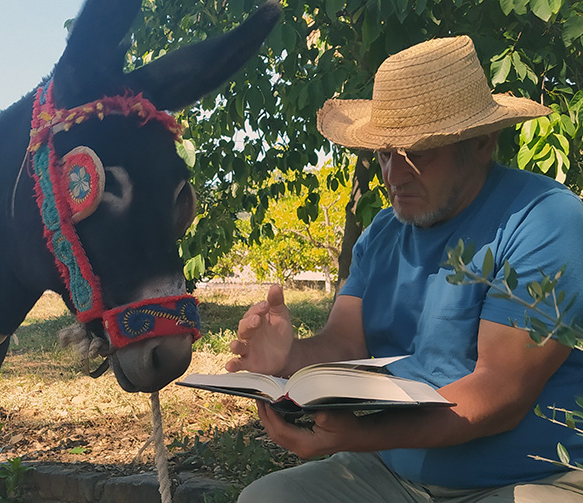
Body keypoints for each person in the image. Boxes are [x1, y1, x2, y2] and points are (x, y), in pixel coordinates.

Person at [227, 35, 583, 502]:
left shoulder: (548, 221)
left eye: (419, 152)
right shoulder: (382, 232)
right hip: (392, 472)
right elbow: (344, 342)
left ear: (481, 143)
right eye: (385, 152)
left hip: (525, 480)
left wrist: (357, 435)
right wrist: (288, 358)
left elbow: (500, 396)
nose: (393, 175)